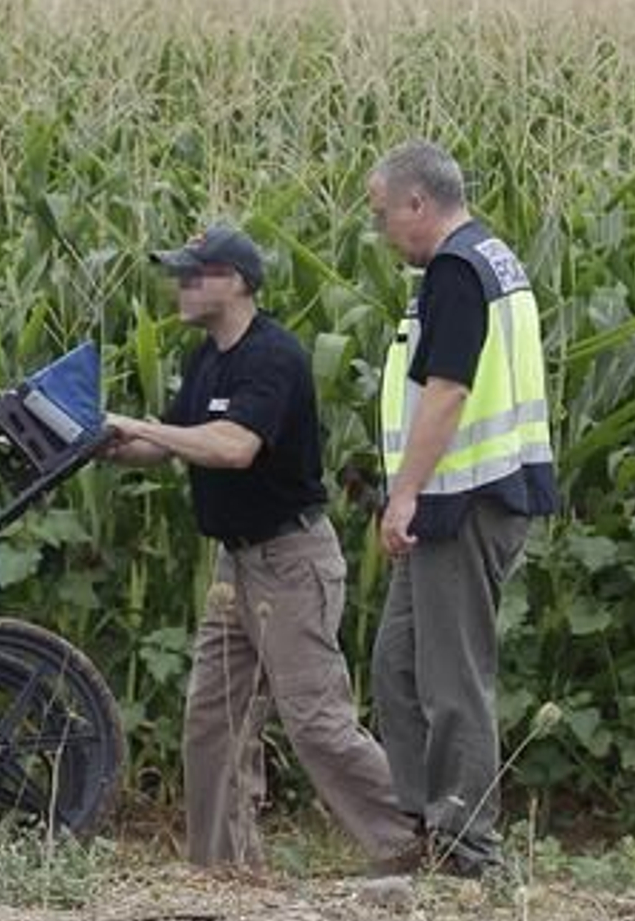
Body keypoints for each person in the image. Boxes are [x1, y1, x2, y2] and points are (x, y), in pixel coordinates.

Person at [102, 225, 418, 871]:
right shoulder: (205, 359)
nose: (181, 285)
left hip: (290, 560)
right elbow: (167, 444)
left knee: (316, 722)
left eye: (195, 273)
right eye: (179, 273)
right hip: (234, 564)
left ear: (238, 281)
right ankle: (223, 868)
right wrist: (98, 443)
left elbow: (233, 446)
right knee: (212, 720)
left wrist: (139, 424)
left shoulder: (273, 356)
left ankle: (422, 842)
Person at [365, 140, 558, 877]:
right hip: (464, 493)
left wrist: (404, 492)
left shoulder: (455, 269)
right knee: (397, 663)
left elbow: (448, 390)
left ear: (419, 203)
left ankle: (468, 844)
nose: (385, 233)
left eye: (386, 215)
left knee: (452, 675)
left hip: (467, 496)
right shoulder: (489, 257)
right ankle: (425, 822)